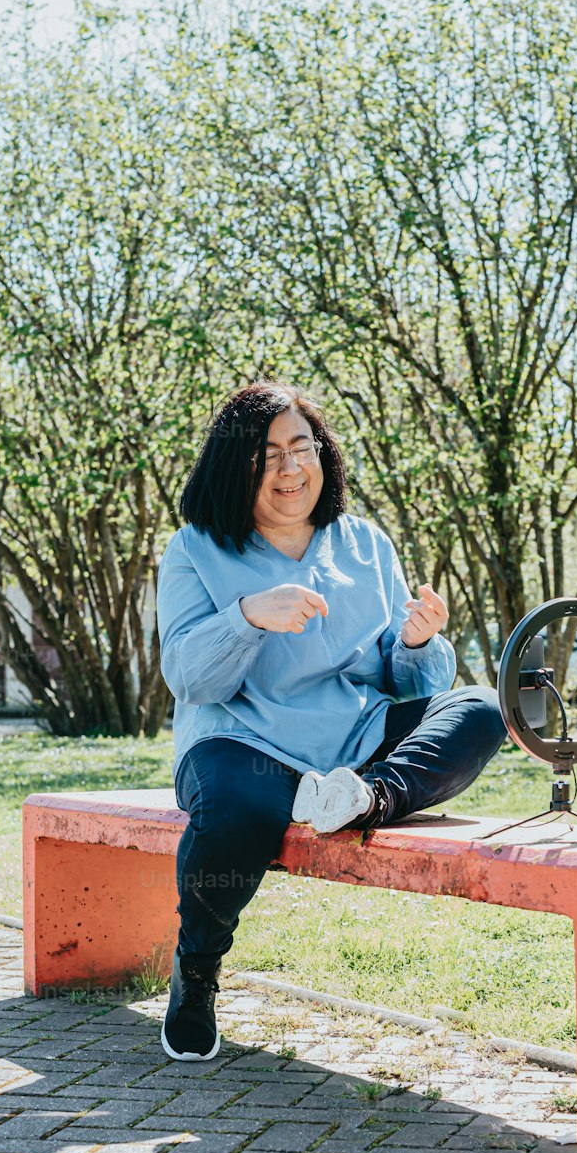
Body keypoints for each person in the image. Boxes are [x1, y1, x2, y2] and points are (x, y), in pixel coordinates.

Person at [155, 381, 508, 1062]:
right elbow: (191, 678)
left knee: (484, 709)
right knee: (233, 810)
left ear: (323, 455)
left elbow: (395, 677)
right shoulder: (194, 548)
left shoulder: (364, 543)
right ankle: (197, 972)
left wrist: (413, 642)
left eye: (301, 448)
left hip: (354, 748)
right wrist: (250, 616)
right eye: (267, 456)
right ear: (236, 466)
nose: (291, 470)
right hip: (243, 740)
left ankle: (367, 800)